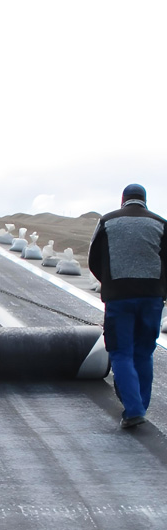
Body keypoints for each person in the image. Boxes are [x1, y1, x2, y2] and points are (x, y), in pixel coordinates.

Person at [89, 183, 167, 428]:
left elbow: (93, 259)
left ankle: (133, 410)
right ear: (145, 200)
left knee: (121, 352)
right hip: (152, 298)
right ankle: (140, 406)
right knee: (144, 352)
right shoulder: (160, 223)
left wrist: (110, 285)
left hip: (119, 298)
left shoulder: (107, 221)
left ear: (123, 199)